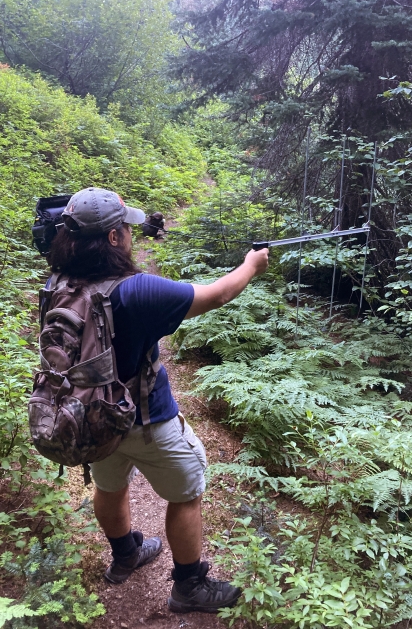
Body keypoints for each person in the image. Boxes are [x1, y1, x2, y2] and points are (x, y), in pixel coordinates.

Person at [48, 187, 269, 614]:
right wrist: (250, 265)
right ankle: (189, 586)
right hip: (147, 418)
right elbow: (218, 294)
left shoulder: (56, 283)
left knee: (109, 486)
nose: (132, 233)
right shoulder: (139, 290)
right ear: (113, 238)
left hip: (89, 417)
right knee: (186, 493)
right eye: (126, 228)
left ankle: (125, 554)